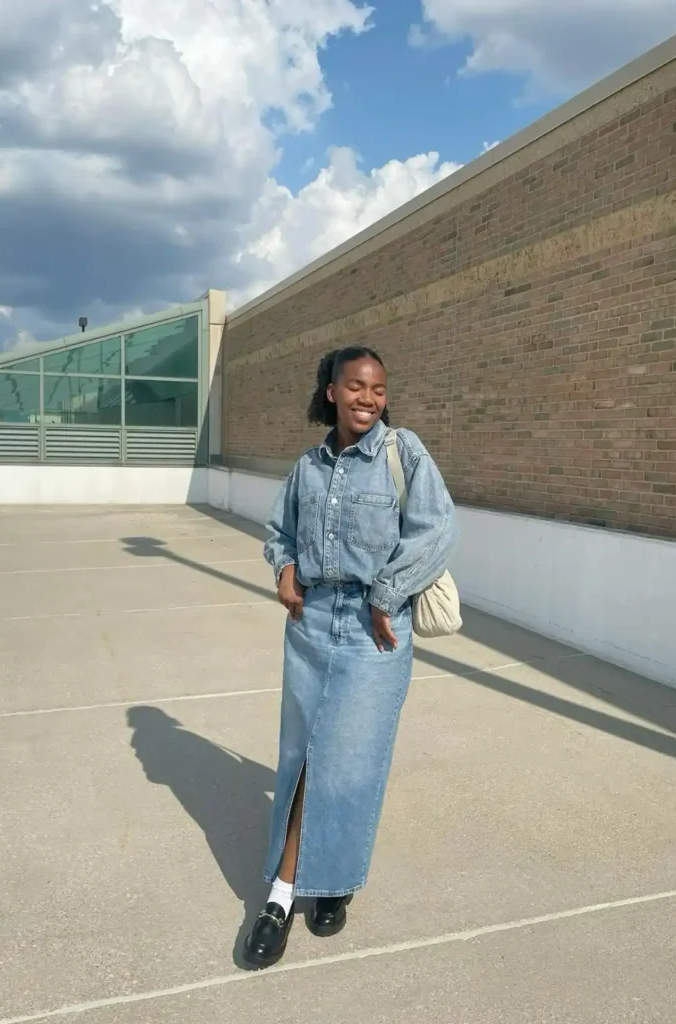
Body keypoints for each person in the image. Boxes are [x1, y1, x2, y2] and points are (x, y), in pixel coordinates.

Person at [243, 344, 457, 969]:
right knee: (303, 757)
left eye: (378, 389)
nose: (368, 398)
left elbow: (437, 528)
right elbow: (279, 531)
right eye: (356, 386)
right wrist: (284, 571)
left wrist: (388, 596)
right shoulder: (308, 466)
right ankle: (313, 884)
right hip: (311, 626)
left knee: (350, 761)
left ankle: (286, 895)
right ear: (331, 390)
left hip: (375, 630)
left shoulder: (403, 453)